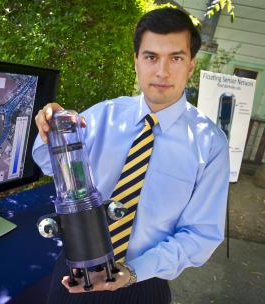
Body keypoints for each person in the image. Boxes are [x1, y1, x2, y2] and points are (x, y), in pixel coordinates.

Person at [32, 8, 229, 304]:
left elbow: (201, 234)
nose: (162, 71)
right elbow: (48, 163)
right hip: (73, 271)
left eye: (175, 58)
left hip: (143, 285)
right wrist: (50, 129)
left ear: (191, 66)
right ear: (135, 61)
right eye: (151, 57)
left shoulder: (210, 143)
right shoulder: (102, 116)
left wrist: (133, 272)